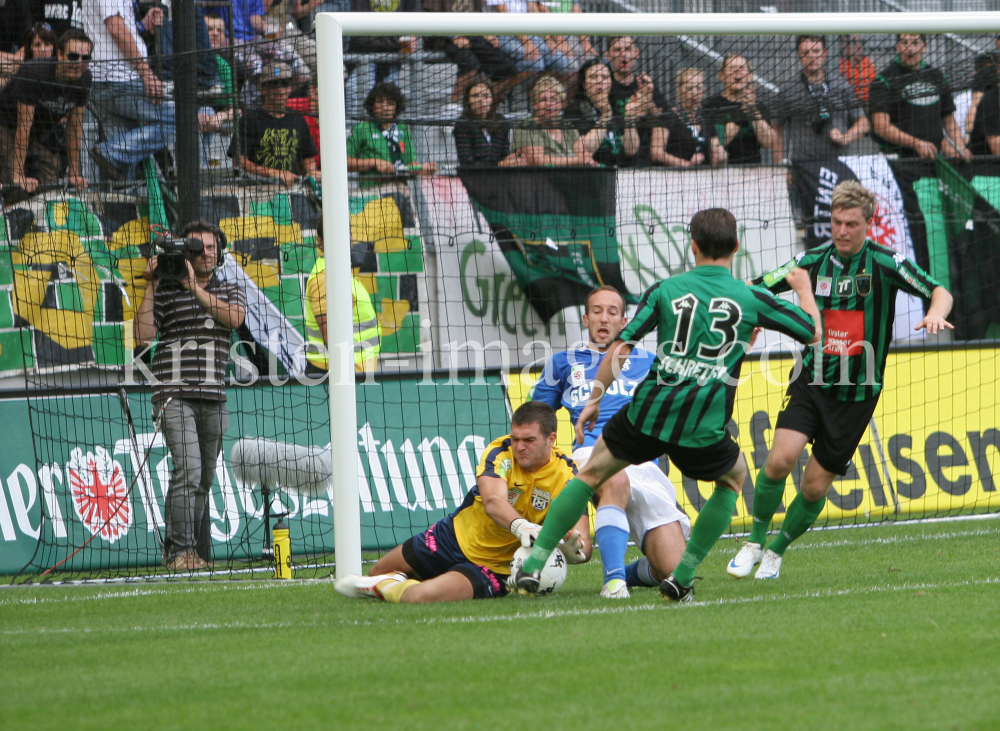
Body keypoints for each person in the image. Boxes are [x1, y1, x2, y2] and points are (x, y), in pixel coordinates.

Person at [510, 208, 821, 601]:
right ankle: (683, 575)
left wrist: (594, 399)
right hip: (702, 425)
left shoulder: (665, 290)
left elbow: (621, 347)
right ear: (736, 247)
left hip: (648, 415)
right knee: (731, 481)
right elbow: (813, 333)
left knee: (590, 475)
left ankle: (536, 561)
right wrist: (804, 289)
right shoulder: (751, 296)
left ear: (692, 246)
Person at [728, 181, 953, 582]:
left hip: (857, 395)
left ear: (869, 223)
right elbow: (757, 287)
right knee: (779, 460)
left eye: (851, 223)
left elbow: (940, 291)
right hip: (810, 381)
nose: (842, 231)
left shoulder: (887, 263)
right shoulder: (811, 260)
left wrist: (935, 312)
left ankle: (777, 552)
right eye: (836, 222)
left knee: (814, 488)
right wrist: (747, 317)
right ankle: (755, 541)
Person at [334, 401, 591, 603]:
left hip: (493, 567)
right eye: (515, 439)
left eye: (529, 440)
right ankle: (386, 582)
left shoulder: (569, 477)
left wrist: (573, 553)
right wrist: (523, 527)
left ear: (552, 439)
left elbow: (584, 542)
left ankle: (392, 587)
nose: (519, 447)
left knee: (419, 596)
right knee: (376, 571)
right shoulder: (500, 453)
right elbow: (492, 501)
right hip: (452, 537)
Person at [529, 285, 691, 599]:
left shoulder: (650, 362)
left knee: (670, 570)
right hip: (592, 454)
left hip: (643, 460)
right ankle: (613, 581)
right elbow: (535, 418)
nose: (604, 318)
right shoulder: (563, 363)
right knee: (613, 479)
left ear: (624, 322)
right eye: (597, 311)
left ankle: (628, 575)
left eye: (613, 312)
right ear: (586, 318)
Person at [133, 220, 247, 571]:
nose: (207, 254)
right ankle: (178, 553)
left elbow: (235, 318)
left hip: (214, 394)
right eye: (199, 248)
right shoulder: (165, 291)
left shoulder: (230, 288)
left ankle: (190, 552)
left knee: (205, 480)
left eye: (213, 248)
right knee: (189, 471)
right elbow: (142, 339)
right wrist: (153, 285)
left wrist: (194, 287)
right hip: (172, 391)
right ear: (186, 252)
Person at [84, 0, 175, 181]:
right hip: (121, 79)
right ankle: (110, 152)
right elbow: (115, 27)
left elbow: (113, 25)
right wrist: (146, 73)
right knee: (178, 119)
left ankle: (117, 206)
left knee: (122, 169)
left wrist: (141, 24)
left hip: (103, 81)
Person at [0, 28, 91, 197]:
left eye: (85, 58)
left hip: (40, 128)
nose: (79, 62)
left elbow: (75, 127)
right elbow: (23, 127)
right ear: (60, 54)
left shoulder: (84, 79)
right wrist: (19, 176)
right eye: (73, 56)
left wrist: (74, 173)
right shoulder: (35, 72)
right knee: (14, 185)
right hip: (6, 123)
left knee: (51, 176)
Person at [869, 34, 970, 162]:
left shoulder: (937, 77)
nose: (910, 48)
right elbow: (881, 127)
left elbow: (948, 120)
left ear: (924, 47)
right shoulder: (884, 80)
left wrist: (960, 147)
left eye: (915, 43)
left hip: (934, 159)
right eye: (905, 43)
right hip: (898, 161)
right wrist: (916, 143)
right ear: (898, 47)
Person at [304, 214, 381, 375]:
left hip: (356, 372)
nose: (344, 239)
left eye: (347, 233)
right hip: (336, 375)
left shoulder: (340, 271)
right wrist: (346, 377)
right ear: (320, 241)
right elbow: (329, 335)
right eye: (335, 234)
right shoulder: (324, 279)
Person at [778, 35, 869, 162]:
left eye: (816, 51)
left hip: (839, 164)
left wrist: (845, 138)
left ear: (825, 53)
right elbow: (776, 130)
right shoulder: (788, 90)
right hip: (802, 166)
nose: (811, 56)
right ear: (798, 55)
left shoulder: (841, 85)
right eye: (805, 52)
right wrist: (782, 166)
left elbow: (863, 123)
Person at [229, 61, 318, 186]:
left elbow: (308, 156)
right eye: (274, 85)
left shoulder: (297, 119)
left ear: (291, 88)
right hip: (257, 189)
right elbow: (239, 160)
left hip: (291, 189)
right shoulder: (249, 120)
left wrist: (312, 173)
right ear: (263, 88)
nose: (280, 90)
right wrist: (274, 173)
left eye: (285, 84)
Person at [347, 82, 437, 183]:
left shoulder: (402, 127)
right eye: (380, 102)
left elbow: (410, 163)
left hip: (400, 190)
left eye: (390, 103)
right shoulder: (361, 128)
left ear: (396, 107)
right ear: (372, 105)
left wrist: (421, 169)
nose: (385, 107)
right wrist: (374, 162)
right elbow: (345, 163)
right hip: (371, 192)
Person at [703, 54, 781, 165]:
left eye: (742, 68)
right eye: (732, 68)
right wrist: (741, 115)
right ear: (722, 76)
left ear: (749, 76)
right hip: (721, 170)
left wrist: (753, 110)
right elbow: (719, 142)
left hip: (753, 170)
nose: (737, 71)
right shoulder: (710, 106)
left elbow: (768, 142)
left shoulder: (759, 107)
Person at [605, 35, 667, 166]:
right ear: (608, 56)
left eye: (628, 49)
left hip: (644, 163)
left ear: (636, 53)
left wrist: (648, 104)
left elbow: (664, 119)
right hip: (610, 161)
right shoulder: (603, 86)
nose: (623, 54)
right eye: (617, 50)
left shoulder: (645, 86)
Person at [565, 59, 639, 167]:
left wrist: (630, 117)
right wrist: (605, 116)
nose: (600, 81)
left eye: (604, 77)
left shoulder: (616, 106)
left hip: (623, 170)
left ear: (611, 83)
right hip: (594, 172)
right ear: (584, 84)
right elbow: (585, 150)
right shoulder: (574, 109)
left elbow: (631, 149)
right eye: (593, 77)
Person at [510, 75, 593, 167]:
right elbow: (537, 160)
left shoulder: (567, 126)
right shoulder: (526, 127)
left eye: (554, 99)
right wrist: (576, 161)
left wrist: (585, 158)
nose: (549, 103)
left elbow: (582, 154)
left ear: (562, 104)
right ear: (534, 104)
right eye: (543, 99)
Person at [650, 67, 725, 167]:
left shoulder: (706, 118)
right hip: (674, 176)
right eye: (689, 88)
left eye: (698, 88)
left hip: (705, 176)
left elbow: (715, 149)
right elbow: (656, 153)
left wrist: (720, 156)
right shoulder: (667, 116)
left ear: (703, 91)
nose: (694, 93)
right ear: (679, 90)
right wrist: (687, 165)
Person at [452, 76, 517, 168]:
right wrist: (498, 165)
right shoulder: (463, 124)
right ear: (467, 100)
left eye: (485, 96)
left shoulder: (501, 122)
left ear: (492, 99)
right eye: (475, 96)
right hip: (474, 179)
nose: (481, 100)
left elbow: (504, 156)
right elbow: (467, 163)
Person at [838, 34, 874, 106]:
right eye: (853, 42)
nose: (858, 45)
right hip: (851, 105)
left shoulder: (867, 61)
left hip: (870, 103)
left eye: (861, 42)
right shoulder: (841, 65)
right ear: (843, 45)